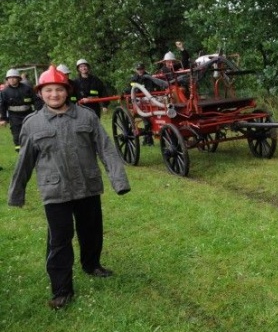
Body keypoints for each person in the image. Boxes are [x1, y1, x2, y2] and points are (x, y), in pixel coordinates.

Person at [8, 65, 130, 310]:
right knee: (59, 240)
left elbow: (105, 149)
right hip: (56, 192)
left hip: (87, 185)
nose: (54, 95)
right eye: (49, 90)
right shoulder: (32, 124)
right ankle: (62, 290)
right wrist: (17, 193)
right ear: (40, 94)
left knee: (91, 230)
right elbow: (25, 162)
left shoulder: (86, 117)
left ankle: (91, 264)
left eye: (59, 90)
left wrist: (119, 181)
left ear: (67, 91)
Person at [125, 62, 167, 146]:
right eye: (138, 69)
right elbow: (129, 89)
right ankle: (148, 137)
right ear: (136, 70)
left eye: (141, 69)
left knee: (162, 100)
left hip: (151, 98)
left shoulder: (149, 77)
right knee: (146, 120)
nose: (140, 71)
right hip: (139, 100)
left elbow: (157, 86)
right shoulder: (133, 79)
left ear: (144, 69)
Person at [0, 68, 40, 151]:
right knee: (16, 133)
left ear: (19, 78)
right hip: (14, 116)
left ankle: (34, 149)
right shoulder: (4, 92)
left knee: (32, 131)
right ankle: (20, 151)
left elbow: (36, 100)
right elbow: (2, 105)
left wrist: (39, 112)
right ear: (7, 79)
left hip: (28, 114)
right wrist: (3, 119)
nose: (11, 79)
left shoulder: (27, 88)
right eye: (9, 78)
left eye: (14, 77)